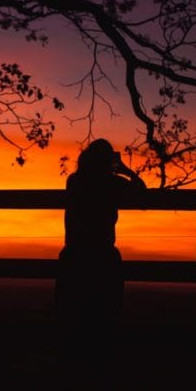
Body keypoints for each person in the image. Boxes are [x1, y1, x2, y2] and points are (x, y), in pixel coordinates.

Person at [55, 138, 146, 344]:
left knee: (72, 316)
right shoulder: (112, 183)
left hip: (74, 255)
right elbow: (141, 189)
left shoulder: (74, 181)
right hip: (102, 256)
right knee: (104, 315)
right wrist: (124, 169)